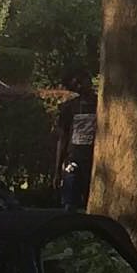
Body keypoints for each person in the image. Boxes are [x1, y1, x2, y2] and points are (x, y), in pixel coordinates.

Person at [55, 73, 99, 210]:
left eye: (82, 81)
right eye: (76, 83)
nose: (80, 85)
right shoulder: (69, 107)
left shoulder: (101, 105)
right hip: (74, 160)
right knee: (70, 202)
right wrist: (57, 169)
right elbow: (63, 138)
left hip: (94, 161)